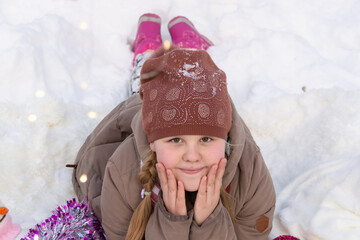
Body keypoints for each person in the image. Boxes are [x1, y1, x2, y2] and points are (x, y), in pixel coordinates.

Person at [71, 13, 276, 240]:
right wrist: (171, 222)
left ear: (225, 138)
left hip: (191, 104)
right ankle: (146, 52)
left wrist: (209, 221)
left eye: (206, 139)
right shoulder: (123, 173)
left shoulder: (249, 171)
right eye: (176, 140)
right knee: (142, 81)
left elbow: (253, 236)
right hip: (141, 107)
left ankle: (190, 48)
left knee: (192, 79)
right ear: (153, 142)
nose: (191, 156)